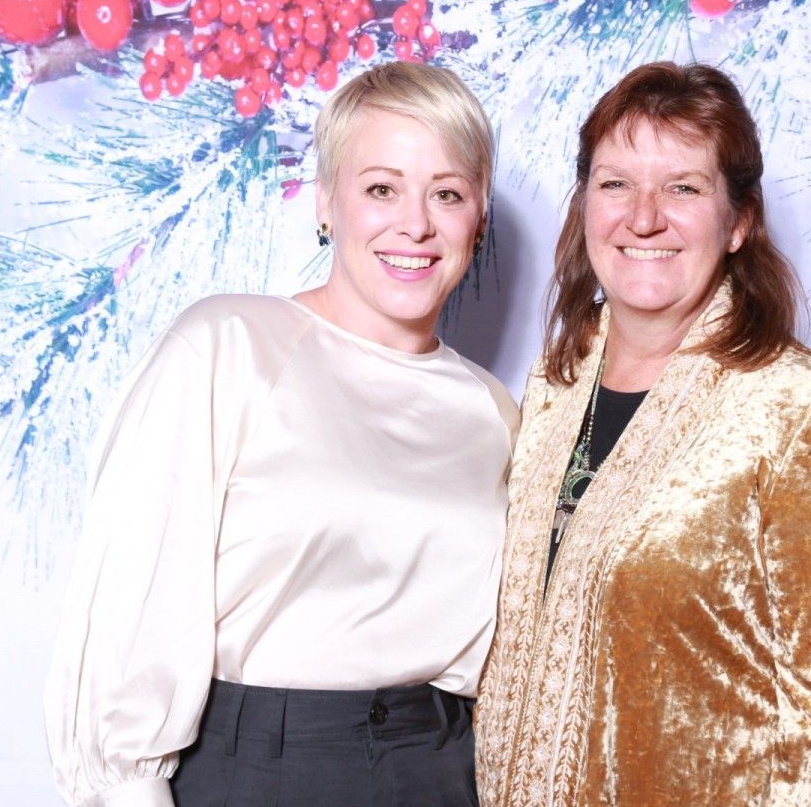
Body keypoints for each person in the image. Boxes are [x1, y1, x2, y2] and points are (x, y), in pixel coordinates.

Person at [45, 62, 519, 807]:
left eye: (448, 193)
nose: (416, 223)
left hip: (442, 773)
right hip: (260, 773)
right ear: (326, 202)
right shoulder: (228, 346)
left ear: (479, 219)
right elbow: (135, 607)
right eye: (381, 188)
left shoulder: (493, 410)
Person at [474, 62, 811, 806]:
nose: (644, 217)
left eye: (683, 187)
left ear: (739, 221)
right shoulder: (555, 383)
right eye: (615, 184)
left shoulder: (801, 408)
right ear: (582, 209)